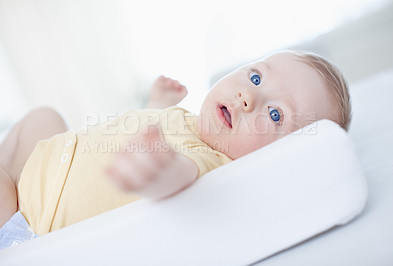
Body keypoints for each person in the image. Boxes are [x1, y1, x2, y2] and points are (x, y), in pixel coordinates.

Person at [0, 50, 351, 247]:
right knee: (43, 118)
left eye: (275, 114)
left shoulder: (213, 166)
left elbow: (181, 177)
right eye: (256, 77)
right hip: (36, 180)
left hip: (29, 230)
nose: (248, 97)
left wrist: (160, 171)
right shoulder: (187, 122)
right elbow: (148, 126)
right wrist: (157, 105)